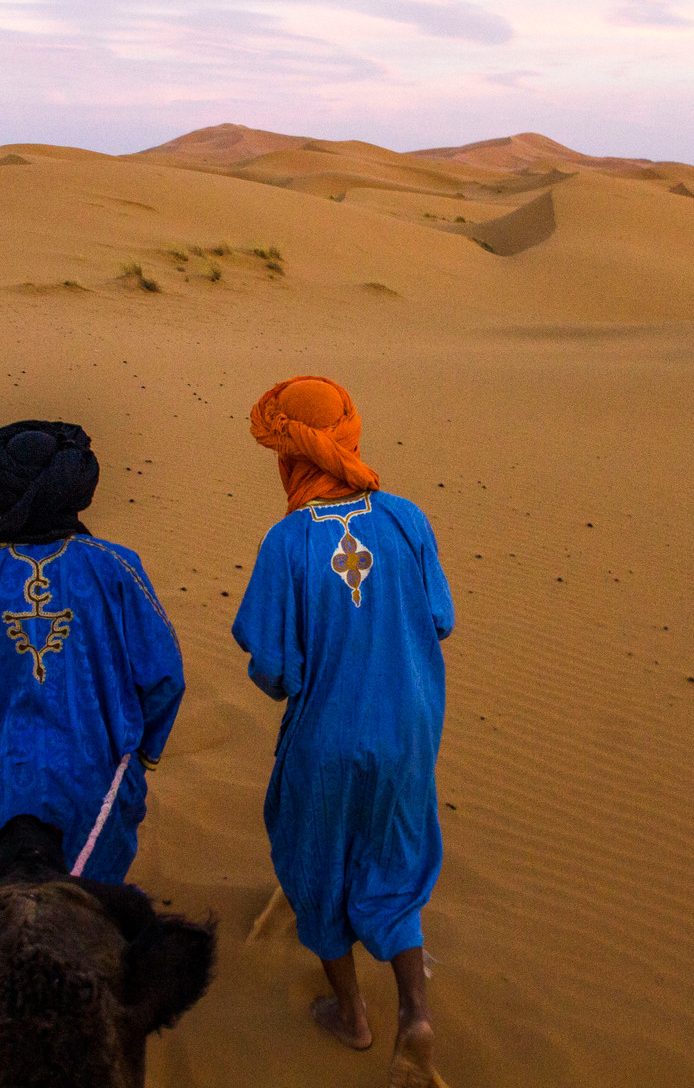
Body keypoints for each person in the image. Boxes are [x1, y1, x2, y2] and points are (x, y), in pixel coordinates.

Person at [232, 376, 454, 1088]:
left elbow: (275, 671)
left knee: (317, 865)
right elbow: (440, 619)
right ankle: (414, 1011)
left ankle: (352, 1012)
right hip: (410, 731)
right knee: (393, 861)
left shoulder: (287, 542)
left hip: (327, 737)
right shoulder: (407, 520)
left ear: (291, 458)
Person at [0, 419, 184, 883]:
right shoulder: (115, 566)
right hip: (101, 779)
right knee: (92, 907)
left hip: (10, 778)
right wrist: (142, 755)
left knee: (13, 901)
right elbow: (164, 675)